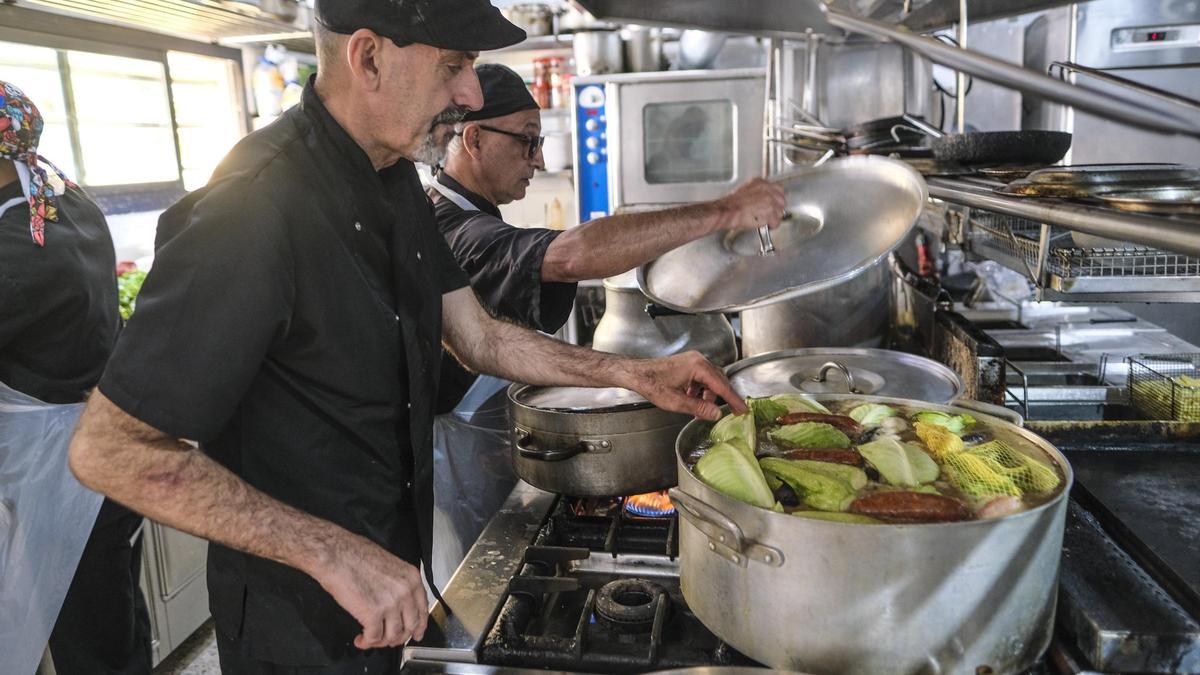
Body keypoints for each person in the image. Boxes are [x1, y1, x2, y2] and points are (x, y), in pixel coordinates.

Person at [65, 2, 747, 674]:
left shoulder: (392, 179)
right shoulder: (250, 210)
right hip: (295, 619)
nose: (471, 94)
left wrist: (633, 374)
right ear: (368, 57)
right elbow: (111, 451)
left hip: (391, 578)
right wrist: (332, 551)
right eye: (454, 65)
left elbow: (480, 337)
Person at [429, 64, 788, 410]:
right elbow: (569, 256)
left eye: (539, 142)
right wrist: (726, 211)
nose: (538, 160)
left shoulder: (468, 211)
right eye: (527, 140)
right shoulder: (456, 230)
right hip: (460, 451)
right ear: (474, 139)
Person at [0, 81, 152, 675]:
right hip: (101, 448)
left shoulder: (20, 247)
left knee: (91, 639)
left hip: (61, 477)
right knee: (110, 615)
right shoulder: (60, 194)